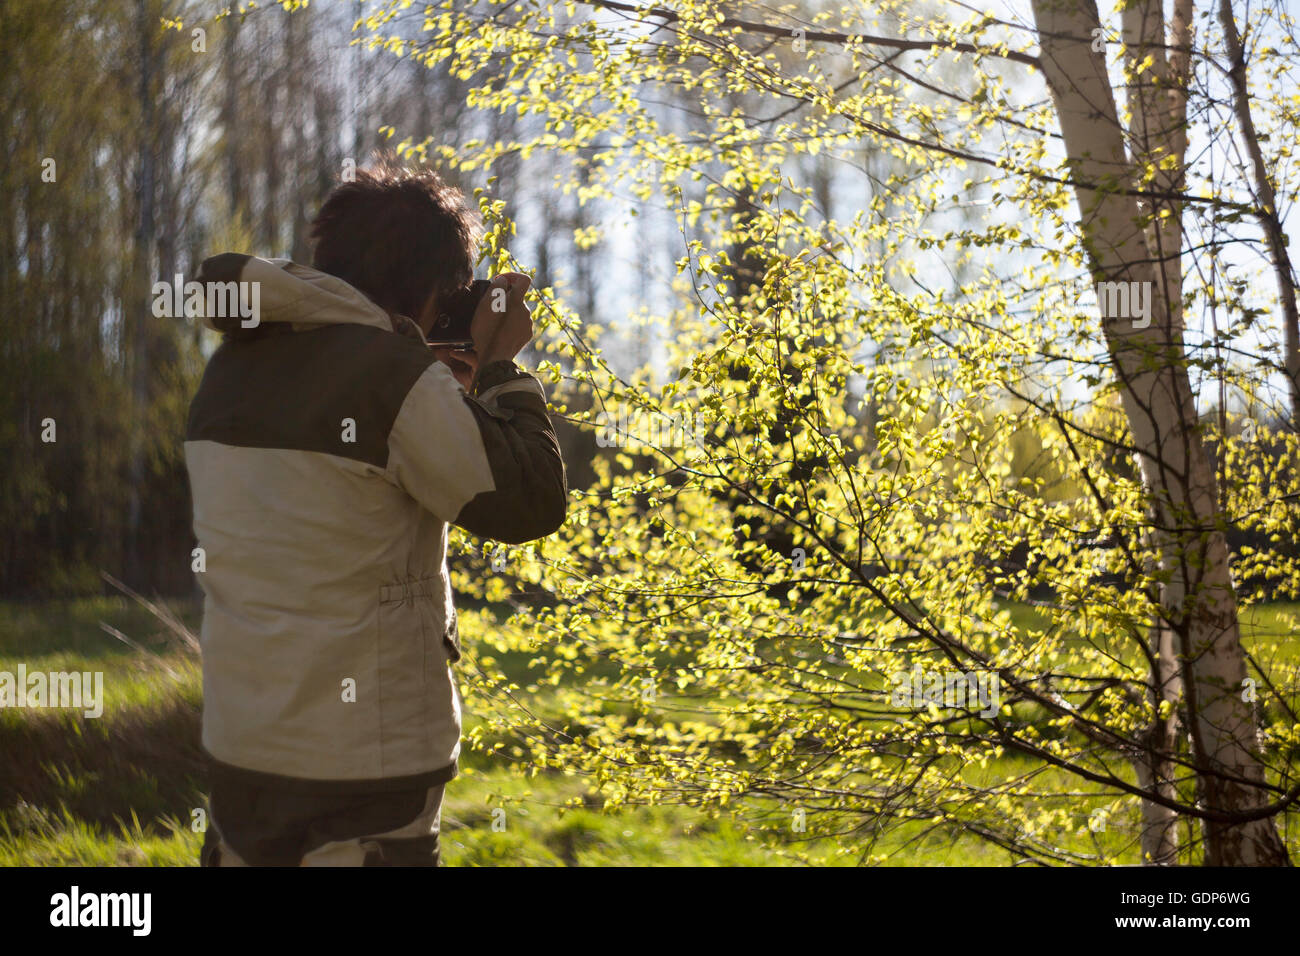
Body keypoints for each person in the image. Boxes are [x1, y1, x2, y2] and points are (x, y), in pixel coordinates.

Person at [185, 157, 567, 866]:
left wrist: (438, 371)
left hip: (243, 744)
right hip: (363, 764)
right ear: (436, 290)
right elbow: (531, 501)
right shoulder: (395, 381)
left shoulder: (229, 371)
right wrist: (506, 365)